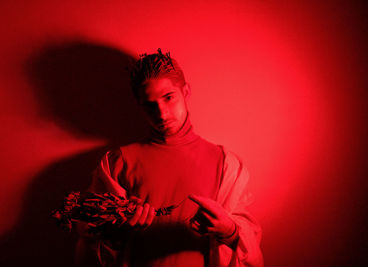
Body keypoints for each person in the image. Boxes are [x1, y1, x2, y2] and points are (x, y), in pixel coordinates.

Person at [75, 49, 263, 267]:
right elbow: (89, 237)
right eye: (150, 104)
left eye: (169, 97)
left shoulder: (226, 164)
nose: (162, 114)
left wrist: (229, 230)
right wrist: (120, 229)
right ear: (139, 105)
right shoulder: (117, 163)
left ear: (186, 91)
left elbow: (248, 240)